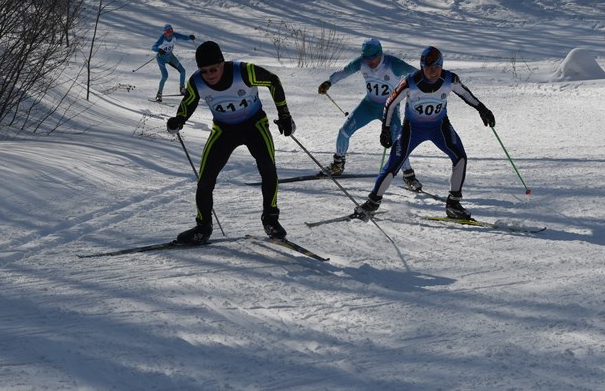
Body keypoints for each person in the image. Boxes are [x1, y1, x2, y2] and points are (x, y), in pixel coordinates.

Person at [166, 41, 296, 245]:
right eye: (204, 70)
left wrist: (284, 114)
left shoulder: (244, 71)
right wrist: (178, 120)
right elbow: (189, 101)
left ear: (222, 63)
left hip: (255, 126)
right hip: (224, 130)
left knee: (268, 168)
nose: (209, 74)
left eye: (213, 69)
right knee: (205, 179)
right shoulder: (197, 81)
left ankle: (270, 220)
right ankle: (203, 227)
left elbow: (273, 81)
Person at [353, 46, 495, 220]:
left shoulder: (450, 79)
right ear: (421, 67)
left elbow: (466, 94)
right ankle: (372, 203)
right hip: (412, 129)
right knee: (393, 165)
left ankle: (453, 204)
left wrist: (482, 109)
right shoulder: (410, 82)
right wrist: (386, 129)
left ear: (441, 65)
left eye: (436, 66)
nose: (432, 71)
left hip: (439, 127)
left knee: (460, 157)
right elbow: (390, 104)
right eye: (427, 67)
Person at [318, 37, 422, 191]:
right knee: (344, 132)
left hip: (390, 108)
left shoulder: (394, 64)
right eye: (366, 58)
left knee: (397, 141)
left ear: (380, 54)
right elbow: (345, 71)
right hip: (368, 105)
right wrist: (329, 82)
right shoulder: (361, 62)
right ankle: (337, 165)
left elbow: (418, 75)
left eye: (372, 58)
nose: (369, 62)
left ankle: (409, 176)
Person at [151, 24, 195, 102]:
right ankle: (159, 94)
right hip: (161, 59)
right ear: (165, 32)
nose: (170, 33)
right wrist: (159, 50)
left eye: (171, 31)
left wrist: (189, 37)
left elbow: (183, 37)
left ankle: (182, 88)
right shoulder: (162, 38)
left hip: (170, 57)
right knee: (165, 76)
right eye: (168, 31)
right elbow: (153, 47)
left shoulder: (174, 36)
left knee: (183, 71)